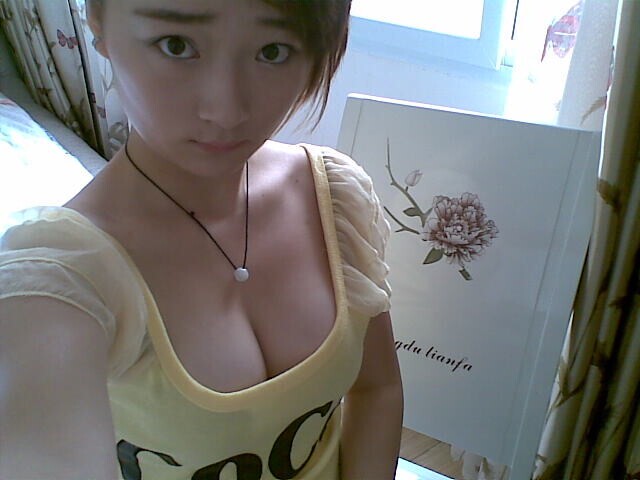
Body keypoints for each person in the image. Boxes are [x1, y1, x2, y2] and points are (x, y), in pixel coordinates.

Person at [0, 0, 403, 478]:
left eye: (273, 51)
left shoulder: (332, 197)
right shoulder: (56, 284)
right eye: (176, 45)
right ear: (98, 22)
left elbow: (376, 390)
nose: (226, 110)